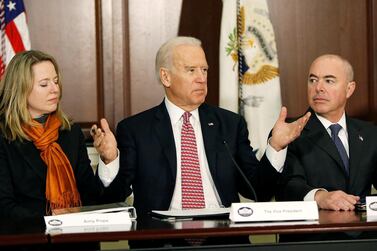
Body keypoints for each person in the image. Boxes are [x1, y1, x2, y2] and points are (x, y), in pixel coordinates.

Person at [115, 36, 310, 247]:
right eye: (191, 70)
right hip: (163, 240)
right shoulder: (136, 130)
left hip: (224, 239)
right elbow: (116, 193)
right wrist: (109, 160)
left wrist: (275, 147)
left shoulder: (229, 125)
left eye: (204, 70)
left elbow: (256, 189)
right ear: (166, 77)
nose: (201, 78)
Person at [0, 50, 126, 219]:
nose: (55, 89)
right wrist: (56, 220)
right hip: (29, 241)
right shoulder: (3, 136)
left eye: (56, 81)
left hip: (77, 241)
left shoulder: (70, 132)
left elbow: (94, 200)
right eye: (44, 84)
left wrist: (108, 160)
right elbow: (4, 208)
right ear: (20, 89)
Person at [276, 54, 377, 241]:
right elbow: (287, 185)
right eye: (313, 80)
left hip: (365, 239)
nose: (318, 88)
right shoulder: (290, 131)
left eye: (329, 80)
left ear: (349, 89)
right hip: (312, 239)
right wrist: (320, 197)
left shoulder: (370, 133)